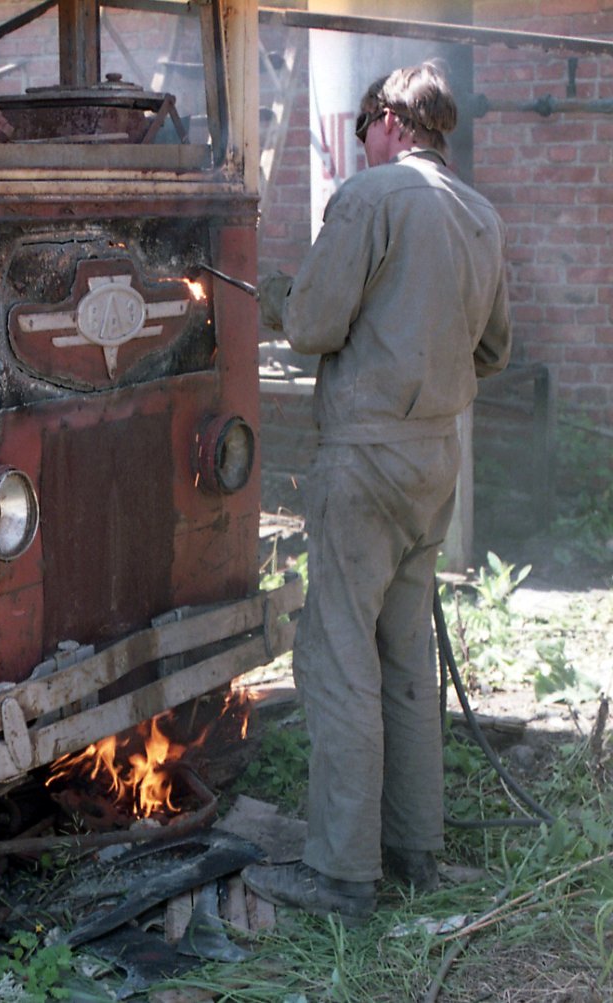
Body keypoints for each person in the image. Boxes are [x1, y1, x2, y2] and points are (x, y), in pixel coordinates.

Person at [244, 61, 512, 924]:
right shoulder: (481, 215)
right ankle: (414, 852)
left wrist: (280, 297)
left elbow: (315, 323)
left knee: (336, 655)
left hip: (364, 461)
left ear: (391, 120)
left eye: (365, 125)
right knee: (405, 654)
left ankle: (342, 876)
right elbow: (493, 352)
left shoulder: (372, 199)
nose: (360, 141)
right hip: (436, 459)